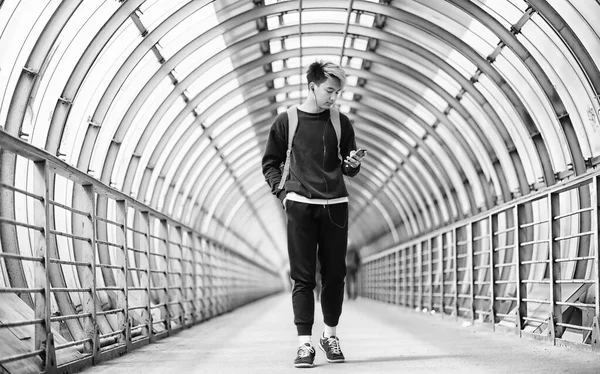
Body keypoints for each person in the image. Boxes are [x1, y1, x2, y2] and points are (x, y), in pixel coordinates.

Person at [262, 60, 366, 368]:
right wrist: (282, 194)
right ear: (312, 87)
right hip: (301, 207)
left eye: (338, 92)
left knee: (334, 276)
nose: (334, 97)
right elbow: (271, 163)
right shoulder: (287, 121)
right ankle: (304, 344)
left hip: (335, 206)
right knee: (303, 277)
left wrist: (352, 164)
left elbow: (349, 167)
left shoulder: (340, 122)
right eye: (329, 90)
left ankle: (330, 336)